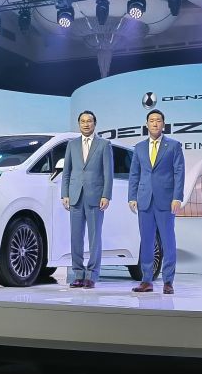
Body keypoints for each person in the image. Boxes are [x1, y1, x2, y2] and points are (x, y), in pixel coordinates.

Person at [128, 109, 185, 294]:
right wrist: (132, 196)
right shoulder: (139, 148)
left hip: (166, 200)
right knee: (146, 241)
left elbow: (179, 172)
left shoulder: (174, 146)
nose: (155, 123)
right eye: (151, 120)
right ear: (147, 124)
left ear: (163, 124)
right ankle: (146, 280)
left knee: (168, 241)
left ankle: (168, 281)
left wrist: (177, 197)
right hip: (144, 200)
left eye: (158, 120)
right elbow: (134, 174)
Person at [60, 110, 114, 289]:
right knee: (75, 237)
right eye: (82, 121)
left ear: (94, 124)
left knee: (94, 237)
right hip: (75, 196)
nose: (86, 124)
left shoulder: (104, 144)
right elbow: (66, 171)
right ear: (79, 124)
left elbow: (108, 173)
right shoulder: (72, 145)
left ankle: (92, 275)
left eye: (89, 121)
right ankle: (78, 274)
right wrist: (65, 194)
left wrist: (106, 195)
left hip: (95, 197)